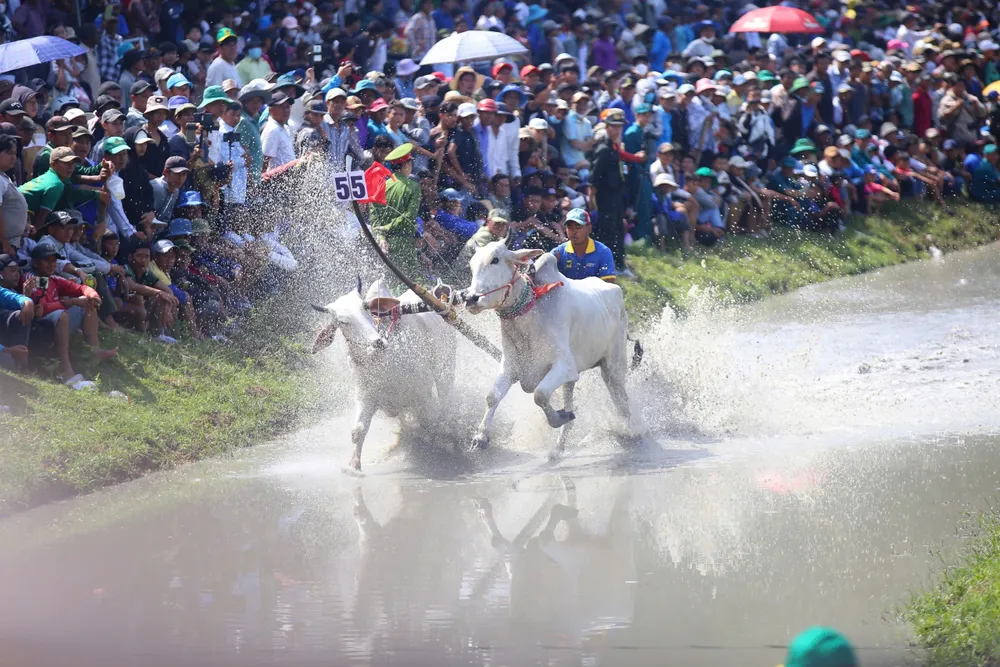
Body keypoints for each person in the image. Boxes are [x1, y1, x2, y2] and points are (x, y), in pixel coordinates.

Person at [24, 241, 118, 388]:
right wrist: (72, 302)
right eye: (47, 260)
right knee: (62, 315)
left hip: (55, 322)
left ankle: (94, 351)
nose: (52, 264)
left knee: (88, 303)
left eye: (54, 260)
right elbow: (41, 307)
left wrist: (93, 296)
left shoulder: (52, 279)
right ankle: (66, 371)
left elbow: (80, 288)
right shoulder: (32, 278)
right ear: (35, 262)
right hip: (37, 328)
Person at [369, 143, 422, 282]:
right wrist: (388, 227)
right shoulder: (414, 187)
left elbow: (374, 218)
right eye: (410, 163)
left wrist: (381, 237)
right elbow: (409, 216)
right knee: (413, 283)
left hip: (383, 244)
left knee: (389, 283)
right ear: (406, 165)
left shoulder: (379, 187)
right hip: (404, 243)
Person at [589, 108, 628, 271]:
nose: (617, 130)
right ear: (607, 127)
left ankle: (619, 264)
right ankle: (606, 266)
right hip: (605, 197)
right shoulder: (603, 149)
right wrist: (591, 200)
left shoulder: (614, 147)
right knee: (607, 232)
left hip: (616, 196)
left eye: (620, 126)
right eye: (614, 126)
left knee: (619, 229)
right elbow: (594, 178)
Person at [551, 208, 616, 282]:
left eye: (578, 226)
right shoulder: (559, 252)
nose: (574, 231)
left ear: (589, 228)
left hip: (594, 289)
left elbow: (608, 284)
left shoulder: (603, 252)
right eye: (569, 227)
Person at [261, 91, 295, 171]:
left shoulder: (284, 127)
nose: (286, 110)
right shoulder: (273, 129)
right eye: (282, 107)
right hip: (277, 177)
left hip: (287, 175)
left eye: (288, 107)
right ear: (271, 110)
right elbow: (264, 160)